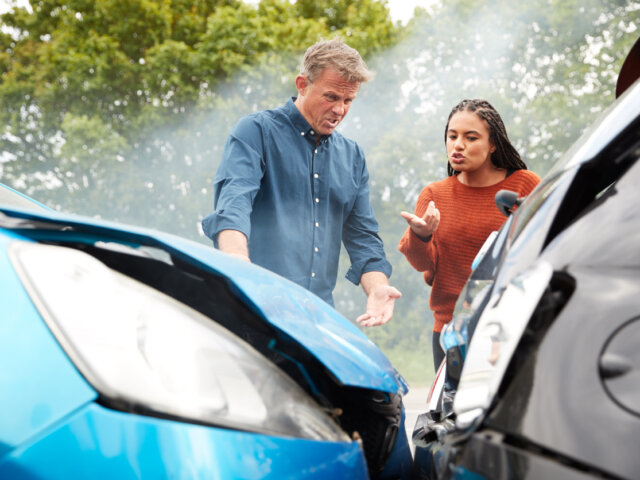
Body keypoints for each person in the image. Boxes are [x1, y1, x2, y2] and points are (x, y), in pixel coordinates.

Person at [202, 39, 401, 327]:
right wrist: (236, 260)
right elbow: (234, 203)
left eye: (348, 101)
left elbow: (363, 238)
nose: (340, 110)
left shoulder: (353, 157)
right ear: (302, 84)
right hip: (251, 310)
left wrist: (379, 287)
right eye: (331, 97)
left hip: (317, 320)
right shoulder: (256, 131)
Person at [398, 99, 541, 370]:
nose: (458, 145)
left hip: (508, 327)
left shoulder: (525, 184)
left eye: (470, 137)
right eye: (452, 136)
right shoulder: (434, 195)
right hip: (450, 330)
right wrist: (422, 236)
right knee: (451, 413)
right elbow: (423, 265)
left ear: (493, 144)